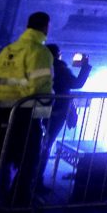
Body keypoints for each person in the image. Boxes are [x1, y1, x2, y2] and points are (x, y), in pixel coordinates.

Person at [0, 11, 54, 207]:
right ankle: (19, 199)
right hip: (25, 114)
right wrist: (50, 101)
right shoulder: (39, 52)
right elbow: (40, 86)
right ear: (46, 27)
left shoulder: (9, 49)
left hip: (2, 111)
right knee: (28, 160)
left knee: (3, 156)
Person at [38, 44, 91, 185]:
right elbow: (76, 83)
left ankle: (32, 178)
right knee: (45, 145)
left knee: (40, 142)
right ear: (57, 54)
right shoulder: (60, 68)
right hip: (56, 112)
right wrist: (85, 66)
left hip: (40, 109)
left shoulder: (40, 66)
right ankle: (36, 181)